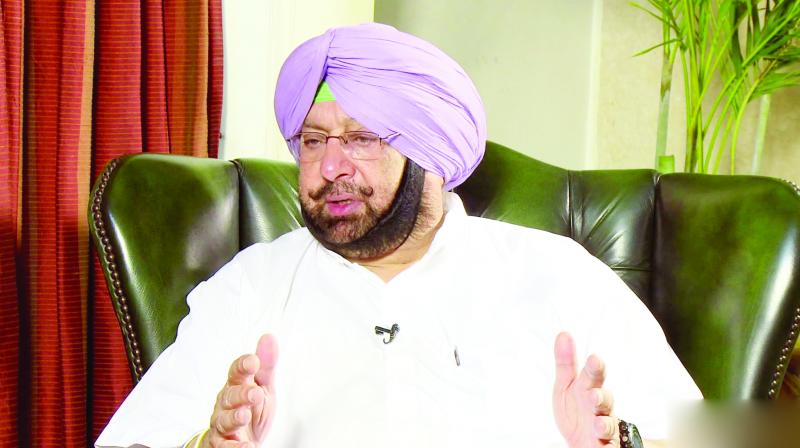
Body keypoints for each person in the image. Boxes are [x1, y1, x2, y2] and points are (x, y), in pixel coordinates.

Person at [96, 23, 701, 448]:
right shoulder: (252, 287)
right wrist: (206, 444)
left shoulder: (558, 275)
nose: (329, 167)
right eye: (312, 141)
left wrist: (623, 444)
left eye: (361, 138)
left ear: (430, 152)